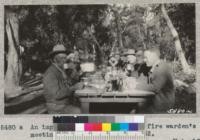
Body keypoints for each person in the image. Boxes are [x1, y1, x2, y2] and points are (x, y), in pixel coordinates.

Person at [43, 44, 84, 114]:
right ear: (55, 59)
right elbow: (56, 95)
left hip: (64, 103)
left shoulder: (60, 69)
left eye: (65, 58)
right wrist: (74, 88)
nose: (65, 60)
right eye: (62, 58)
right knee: (80, 111)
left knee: (83, 105)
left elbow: (67, 84)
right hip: (56, 106)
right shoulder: (50, 73)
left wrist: (74, 74)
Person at [138, 47, 175, 113]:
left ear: (154, 56)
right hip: (154, 103)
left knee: (132, 111)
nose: (144, 60)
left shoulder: (162, 68)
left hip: (162, 107)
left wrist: (136, 86)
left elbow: (155, 87)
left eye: (146, 57)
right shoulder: (153, 67)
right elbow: (146, 81)